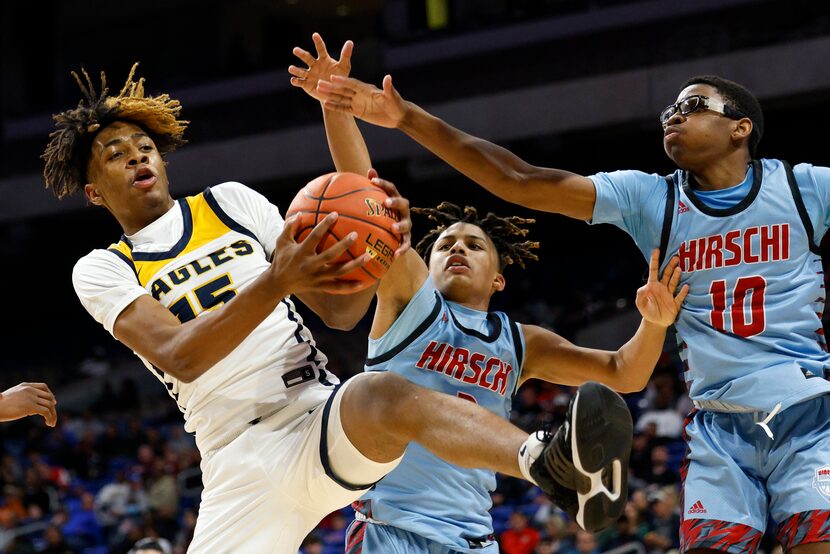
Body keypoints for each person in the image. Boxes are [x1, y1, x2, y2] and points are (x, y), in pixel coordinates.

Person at [43, 64, 632, 553]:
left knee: (381, 392)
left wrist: (381, 244)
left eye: (145, 147)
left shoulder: (231, 204)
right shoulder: (102, 268)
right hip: (238, 458)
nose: (138, 158)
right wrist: (276, 279)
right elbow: (181, 354)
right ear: (94, 191)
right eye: (117, 155)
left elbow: (339, 313)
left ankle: (548, 462)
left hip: (313, 417)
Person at [316, 67, 830, 552]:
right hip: (719, 425)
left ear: (741, 126)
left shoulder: (804, 188)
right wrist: (392, 115)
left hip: (806, 409)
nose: (673, 114)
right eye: (669, 108)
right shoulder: (650, 198)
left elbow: (623, 373)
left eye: (692, 105)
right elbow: (510, 182)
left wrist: (653, 323)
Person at [290, 34, 686, 552]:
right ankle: (546, 460)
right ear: (422, 263)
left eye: (474, 245)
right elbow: (361, 189)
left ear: (498, 278)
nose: (457, 249)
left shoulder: (521, 343)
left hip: (474, 537)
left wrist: (654, 324)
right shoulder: (410, 299)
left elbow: (623, 374)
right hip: (392, 529)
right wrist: (336, 105)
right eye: (444, 245)